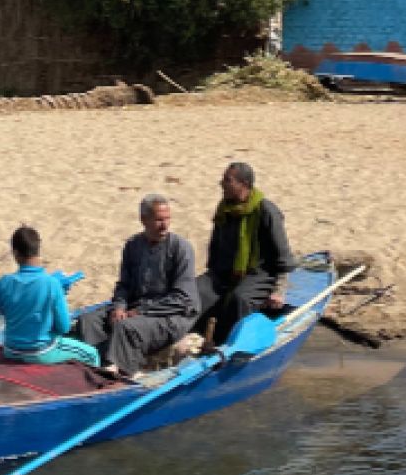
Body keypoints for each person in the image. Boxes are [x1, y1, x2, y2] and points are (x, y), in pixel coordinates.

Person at [72, 193, 200, 379]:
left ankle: (118, 372)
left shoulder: (180, 248)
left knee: (126, 327)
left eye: (167, 219)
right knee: (89, 321)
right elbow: (124, 285)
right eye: (158, 220)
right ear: (144, 220)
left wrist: (141, 311)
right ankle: (94, 360)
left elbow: (182, 299)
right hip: (137, 306)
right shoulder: (133, 246)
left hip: (171, 315)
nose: (164, 225)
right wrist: (119, 307)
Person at [200, 162, 295, 344]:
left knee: (239, 299)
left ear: (243, 184)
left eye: (227, 181)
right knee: (197, 291)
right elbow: (215, 247)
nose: (222, 184)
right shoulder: (224, 209)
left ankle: (228, 345)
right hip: (224, 273)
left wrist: (278, 291)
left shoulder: (267, 211)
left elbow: (283, 257)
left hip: (258, 274)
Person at [0, 226, 100, 366]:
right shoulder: (52, 284)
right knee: (92, 354)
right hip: (41, 352)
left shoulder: (5, 282)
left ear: (15, 254)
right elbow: (63, 327)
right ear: (38, 250)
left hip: (11, 350)